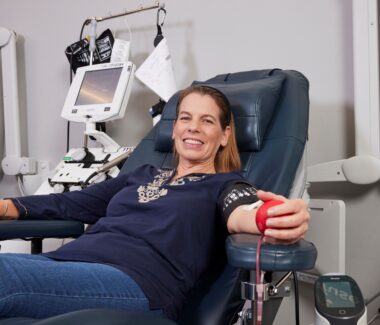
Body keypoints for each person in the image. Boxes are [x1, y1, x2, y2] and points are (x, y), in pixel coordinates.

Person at [0, 85, 310, 321]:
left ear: (225, 135)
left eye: (207, 121)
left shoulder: (225, 185)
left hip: (138, 284)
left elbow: (244, 212)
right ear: (173, 128)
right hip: (68, 263)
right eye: (185, 118)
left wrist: (275, 216)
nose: (192, 127)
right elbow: (69, 203)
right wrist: (6, 206)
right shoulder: (142, 174)